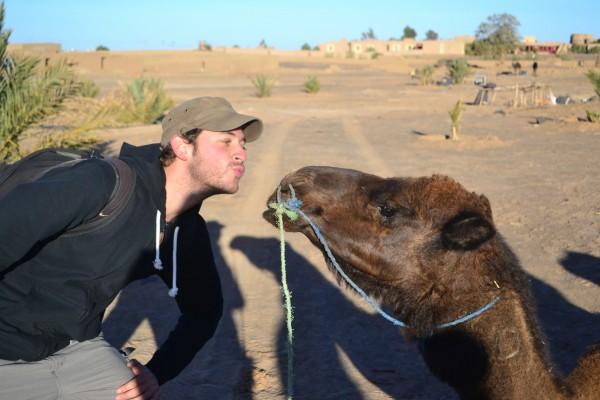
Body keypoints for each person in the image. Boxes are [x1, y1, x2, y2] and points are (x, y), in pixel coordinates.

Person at [0, 97, 262, 399]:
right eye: (226, 141)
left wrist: (158, 372)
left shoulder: (187, 232)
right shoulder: (99, 184)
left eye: (243, 144)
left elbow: (203, 314)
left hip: (76, 350)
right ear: (182, 146)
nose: (241, 153)